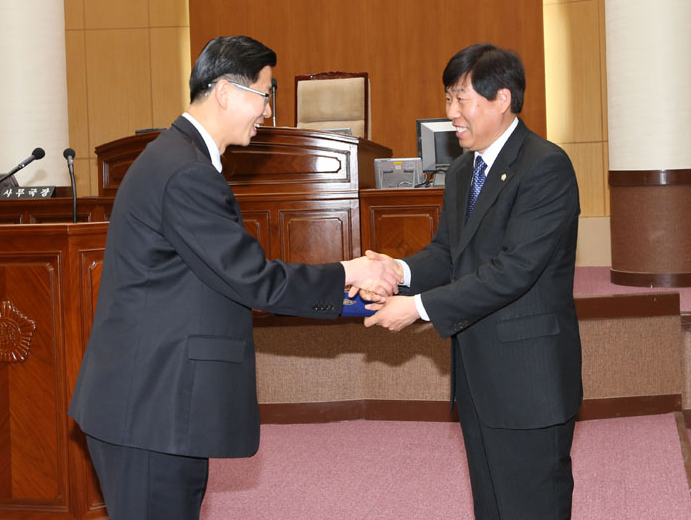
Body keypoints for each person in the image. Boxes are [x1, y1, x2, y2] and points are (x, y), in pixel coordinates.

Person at [68, 35, 400, 520]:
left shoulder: (179, 157)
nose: (267, 112)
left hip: (154, 402)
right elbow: (254, 279)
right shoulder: (185, 172)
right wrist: (352, 271)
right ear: (225, 91)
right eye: (264, 95)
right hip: (150, 408)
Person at [364, 44, 582, 519]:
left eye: (461, 99)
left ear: (501, 98)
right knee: (491, 504)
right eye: (448, 99)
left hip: (528, 377)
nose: (451, 113)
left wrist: (418, 308)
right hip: (478, 376)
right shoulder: (465, 169)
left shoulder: (545, 166)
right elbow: (448, 252)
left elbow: (514, 270)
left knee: (532, 505)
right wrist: (397, 272)